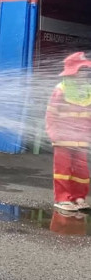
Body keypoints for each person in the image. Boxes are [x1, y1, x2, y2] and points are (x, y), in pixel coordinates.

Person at [45, 52, 91, 213]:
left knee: (82, 171)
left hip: (82, 140)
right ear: (73, 71)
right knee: (63, 170)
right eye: (82, 70)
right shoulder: (61, 89)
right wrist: (53, 134)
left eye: (86, 70)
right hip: (63, 138)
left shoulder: (88, 91)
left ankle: (79, 197)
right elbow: (51, 114)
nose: (85, 73)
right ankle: (62, 198)